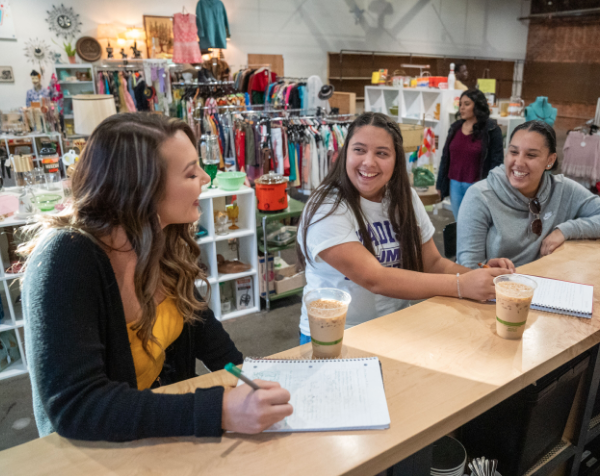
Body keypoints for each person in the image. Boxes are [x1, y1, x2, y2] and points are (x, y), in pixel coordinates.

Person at [20, 113, 292, 441]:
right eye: (191, 173)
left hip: (151, 432)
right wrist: (218, 410)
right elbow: (77, 405)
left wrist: (257, 380)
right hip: (93, 450)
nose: (205, 179)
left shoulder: (160, 240)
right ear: (142, 188)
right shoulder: (66, 259)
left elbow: (207, 335)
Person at [297, 112, 514, 344]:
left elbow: (433, 263)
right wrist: (461, 285)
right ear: (345, 153)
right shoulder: (326, 207)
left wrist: (481, 279)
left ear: (396, 159)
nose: (368, 162)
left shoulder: (404, 197)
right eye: (359, 150)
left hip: (397, 329)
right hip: (335, 336)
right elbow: (375, 279)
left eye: (381, 153)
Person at [456, 120, 600, 268]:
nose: (518, 162)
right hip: (499, 293)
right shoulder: (480, 196)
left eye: (531, 155)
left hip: (546, 285)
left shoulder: (563, 189)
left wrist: (564, 230)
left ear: (550, 161)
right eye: (513, 152)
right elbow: (469, 268)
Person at [437, 89, 504, 219]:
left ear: (477, 106)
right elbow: (445, 158)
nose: (461, 108)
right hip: (454, 184)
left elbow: (497, 162)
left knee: (475, 225)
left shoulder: (492, 130)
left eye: (466, 104)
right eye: (460, 104)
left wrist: (493, 189)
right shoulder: (455, 127)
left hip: (478, 186)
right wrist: (440, 184)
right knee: (459, 223)